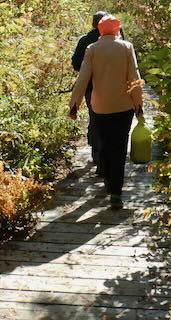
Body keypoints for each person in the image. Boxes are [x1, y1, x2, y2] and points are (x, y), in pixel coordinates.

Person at [68, 15, 143, 210]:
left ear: (100, 29)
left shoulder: (92, 49)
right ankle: (115, 192)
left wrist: (74, 105)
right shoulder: (126, 47)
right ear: (118, 29)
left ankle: (108, 180)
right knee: (119, 147)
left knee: (104, 144)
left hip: (99, 107)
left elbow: (83, 78)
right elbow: (134, 77)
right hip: (124, 107)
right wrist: (138, 104)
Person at [71, 11, 107, 171]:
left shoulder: (85, 41)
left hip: (90, 87)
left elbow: (75, 63)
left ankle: (96, 153)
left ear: (93, 23)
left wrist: (87, 71)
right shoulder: (117, 41)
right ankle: (105, 156)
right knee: (109, 120)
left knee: (95, 118)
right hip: (111, 87)